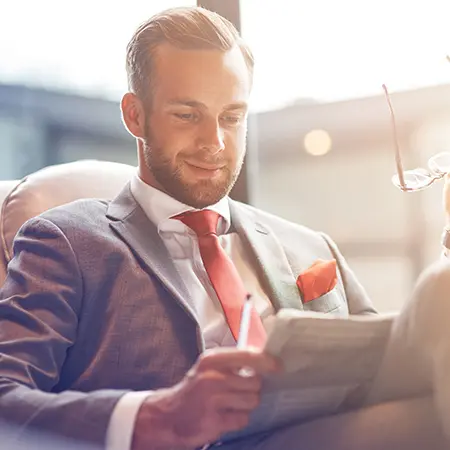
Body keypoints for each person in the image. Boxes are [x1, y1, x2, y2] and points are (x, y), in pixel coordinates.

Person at [0, 6, 450, 450]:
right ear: (135, 115)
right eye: (186, 115)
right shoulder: (66, 241)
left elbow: (393, 370)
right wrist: (158, 416)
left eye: (231, 117)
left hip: (325, 430)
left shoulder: (309, 245)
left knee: (440, 301)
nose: (214, 142)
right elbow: (6, 397)